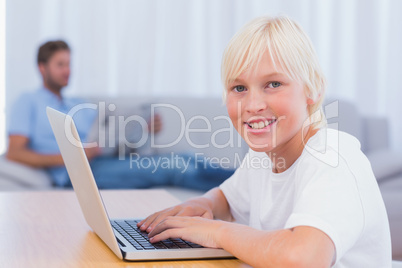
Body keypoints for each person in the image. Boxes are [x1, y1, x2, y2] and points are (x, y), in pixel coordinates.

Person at [137, 16, 392, 267]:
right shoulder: (263, 156)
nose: (253, 105)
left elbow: (303, 259)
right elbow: (227, 199)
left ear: (314, 90)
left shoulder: (332, 157)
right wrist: (201, 205)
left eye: (273, 84)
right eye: (239, 88)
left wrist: (216, 231)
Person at [6, 40, 233, 190]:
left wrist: (141, 127)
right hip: (79, 171)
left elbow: (112, 134)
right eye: (60, 64)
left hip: (108, 157)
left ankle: (247, 181)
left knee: (186, 157)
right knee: (176, 167)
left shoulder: (78, 104)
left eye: (69, 64)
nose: (68, 71)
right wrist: (75, 155)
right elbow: (15, 153)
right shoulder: (28, 101)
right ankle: (241, 193)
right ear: (42, 68)